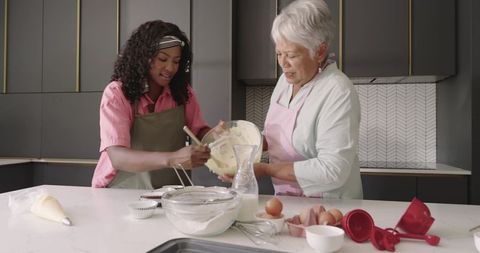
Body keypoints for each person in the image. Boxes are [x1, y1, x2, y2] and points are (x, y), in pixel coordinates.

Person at [222, 0, 362, 198]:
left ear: (320, 51)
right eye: (279, 53)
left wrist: (266, 170)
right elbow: (275, 139)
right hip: (288, 200)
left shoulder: (337, 90)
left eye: (291, 55)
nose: (283, 64)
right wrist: (232, 148)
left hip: (329, 208)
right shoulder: (284, 83)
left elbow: (334, 170)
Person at [92, 20, 212, 189]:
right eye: (163, 59)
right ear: (144, 58)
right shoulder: (117, 94)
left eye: (176, 61)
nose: (170, 68)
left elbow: (199, 132)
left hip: (170, 191)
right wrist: (172, 159)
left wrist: (217, 136)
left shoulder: (182, 93)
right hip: (121, 191)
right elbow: (118, 157)